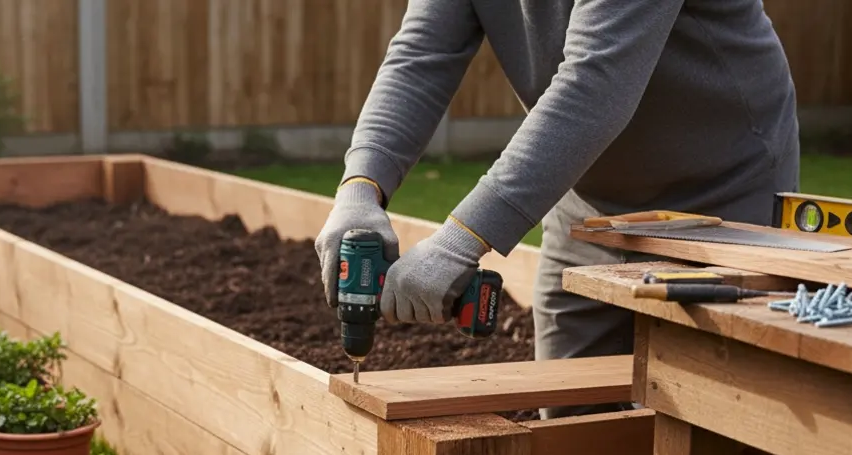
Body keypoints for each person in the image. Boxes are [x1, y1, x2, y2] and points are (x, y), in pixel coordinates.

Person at [315, 0, 799, 418]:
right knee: (570, 412)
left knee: (716, 414)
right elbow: (420, 57)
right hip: (586, 203)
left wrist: (458, 241)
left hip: (724, 193)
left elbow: (597, 83)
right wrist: (361, 187)